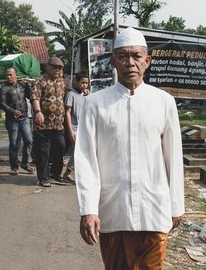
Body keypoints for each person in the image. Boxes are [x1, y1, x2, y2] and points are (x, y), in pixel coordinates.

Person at [75, 27, 184, 269]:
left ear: (147, 61)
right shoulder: (95, 104)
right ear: (113, 62)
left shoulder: (163, 102)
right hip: (113, 211)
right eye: (123, 56)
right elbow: (86, 160)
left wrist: (176, 205)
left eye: (136, 56)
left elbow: (173, 157)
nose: (130, 62)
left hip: (153, 210)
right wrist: (88, 209)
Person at [30, 57, 67, 187]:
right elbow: (35, 97)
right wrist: (37, 112)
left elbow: (71, 93)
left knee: (61, 147)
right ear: (48, 67)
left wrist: (84, 91)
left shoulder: (62, 82)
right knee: (43, 152)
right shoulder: (40, 81)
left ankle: (55, 173)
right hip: (43, 124)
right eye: (55, 67)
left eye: (60, 68)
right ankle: (43, 178)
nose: (57, 70)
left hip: (58, 124)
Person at [0, 67, 34, 175]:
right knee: (14, 144)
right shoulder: (4, 88)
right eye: (7, 75)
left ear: (16, 75)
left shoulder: (22, 85)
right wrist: (13, 111)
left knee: (29, 140)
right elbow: (2, 103)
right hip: (12, 120)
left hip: (24, 118)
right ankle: (14, 167)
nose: (8, 77)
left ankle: (25, 163)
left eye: (10, 74)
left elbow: (30, 96)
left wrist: (28, 85)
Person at [62, 73, 89, 183]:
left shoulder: (86, 94)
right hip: (75, 128)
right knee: (78, 152)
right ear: (76, 82)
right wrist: (70, 130)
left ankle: (68, 172)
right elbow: (67, 113)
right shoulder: (70, 95)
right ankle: (67, 172)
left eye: (86, 83)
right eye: (82, 83)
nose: (84, 85)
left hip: (85, 127)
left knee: (81, 152)